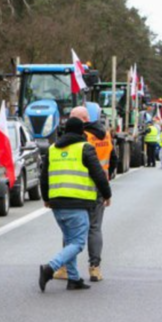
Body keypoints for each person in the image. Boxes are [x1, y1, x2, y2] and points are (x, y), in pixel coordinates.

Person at [39, 117, 112, 292]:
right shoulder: (85, 148)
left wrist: (46, 198)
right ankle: (50, 268)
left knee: (70, 240)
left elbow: (44, 176)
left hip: (57, 203)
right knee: (78, 243)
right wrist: (107, 194)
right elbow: (98, 174)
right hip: (78, 202)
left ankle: (73, 279)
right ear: (81, 131)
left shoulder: (52, 149)